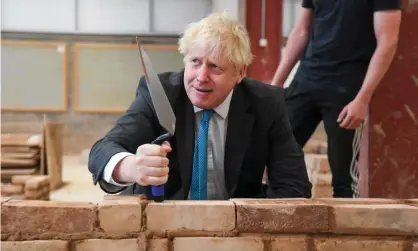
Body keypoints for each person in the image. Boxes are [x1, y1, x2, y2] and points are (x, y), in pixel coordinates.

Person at [88, 12, 312, 200]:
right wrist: (132, 168)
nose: (201, 77)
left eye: (215, 67)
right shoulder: (160, 95)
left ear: (240, 72)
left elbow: (294, 186)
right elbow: (102, 151)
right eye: (195, 62)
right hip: (163, 229)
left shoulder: (267, 104)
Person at [271, 0, 402, 197]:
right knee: (272, 153)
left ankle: (349, 227)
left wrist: (362, 99)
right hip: (306, 79)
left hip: (347, 90)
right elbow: (301, 30)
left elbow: (387, 41)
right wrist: (275, 85)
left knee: (344, 181)